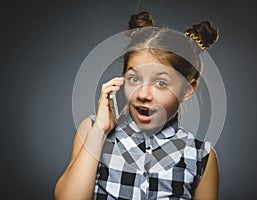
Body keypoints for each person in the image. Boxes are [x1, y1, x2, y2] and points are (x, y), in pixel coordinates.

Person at [54, 11, 219, 200]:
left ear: (188, 90)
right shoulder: (92, 130)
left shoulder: (200, 156)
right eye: (134, 79)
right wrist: (99, 131)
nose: (143, 94)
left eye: (161, 83)